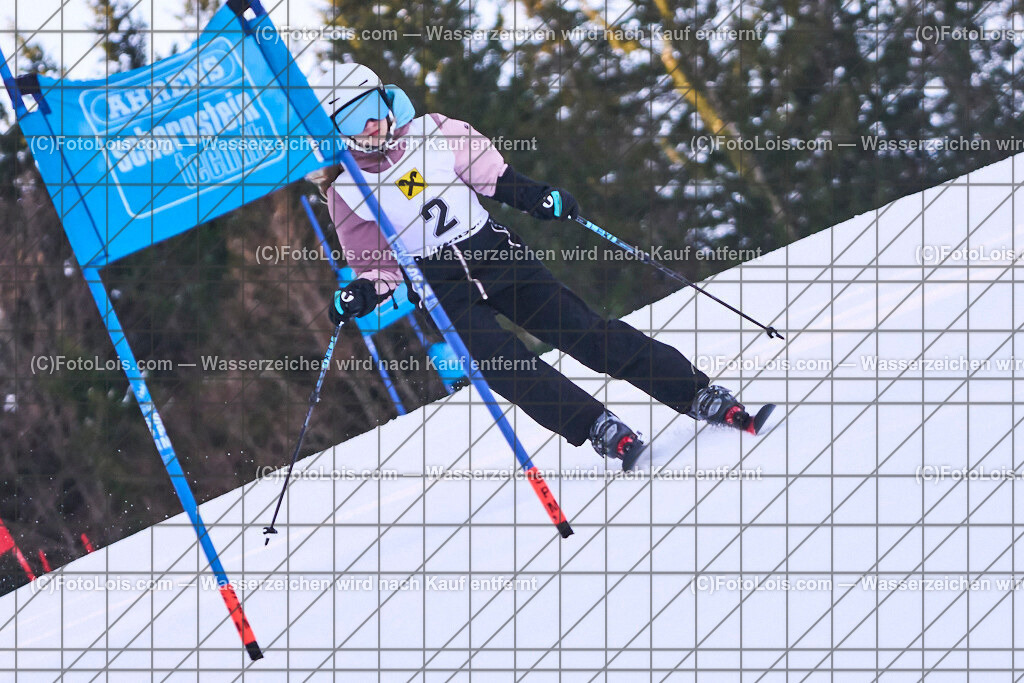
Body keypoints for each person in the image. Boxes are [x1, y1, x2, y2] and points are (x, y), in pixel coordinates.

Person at [306, 63, 758, 470]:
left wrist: (539, 197)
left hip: (497, 256)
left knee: (584, 332)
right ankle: (597, 427)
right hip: (442, 291)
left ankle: (695, 392)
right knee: (508, 369)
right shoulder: (346, 191)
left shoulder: (435, 132)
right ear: (338, 132)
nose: (369, 124)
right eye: (350, 118)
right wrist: (362, 293)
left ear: (386, 99)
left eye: (370, 107)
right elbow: (379, 269)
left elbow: (496, 179)